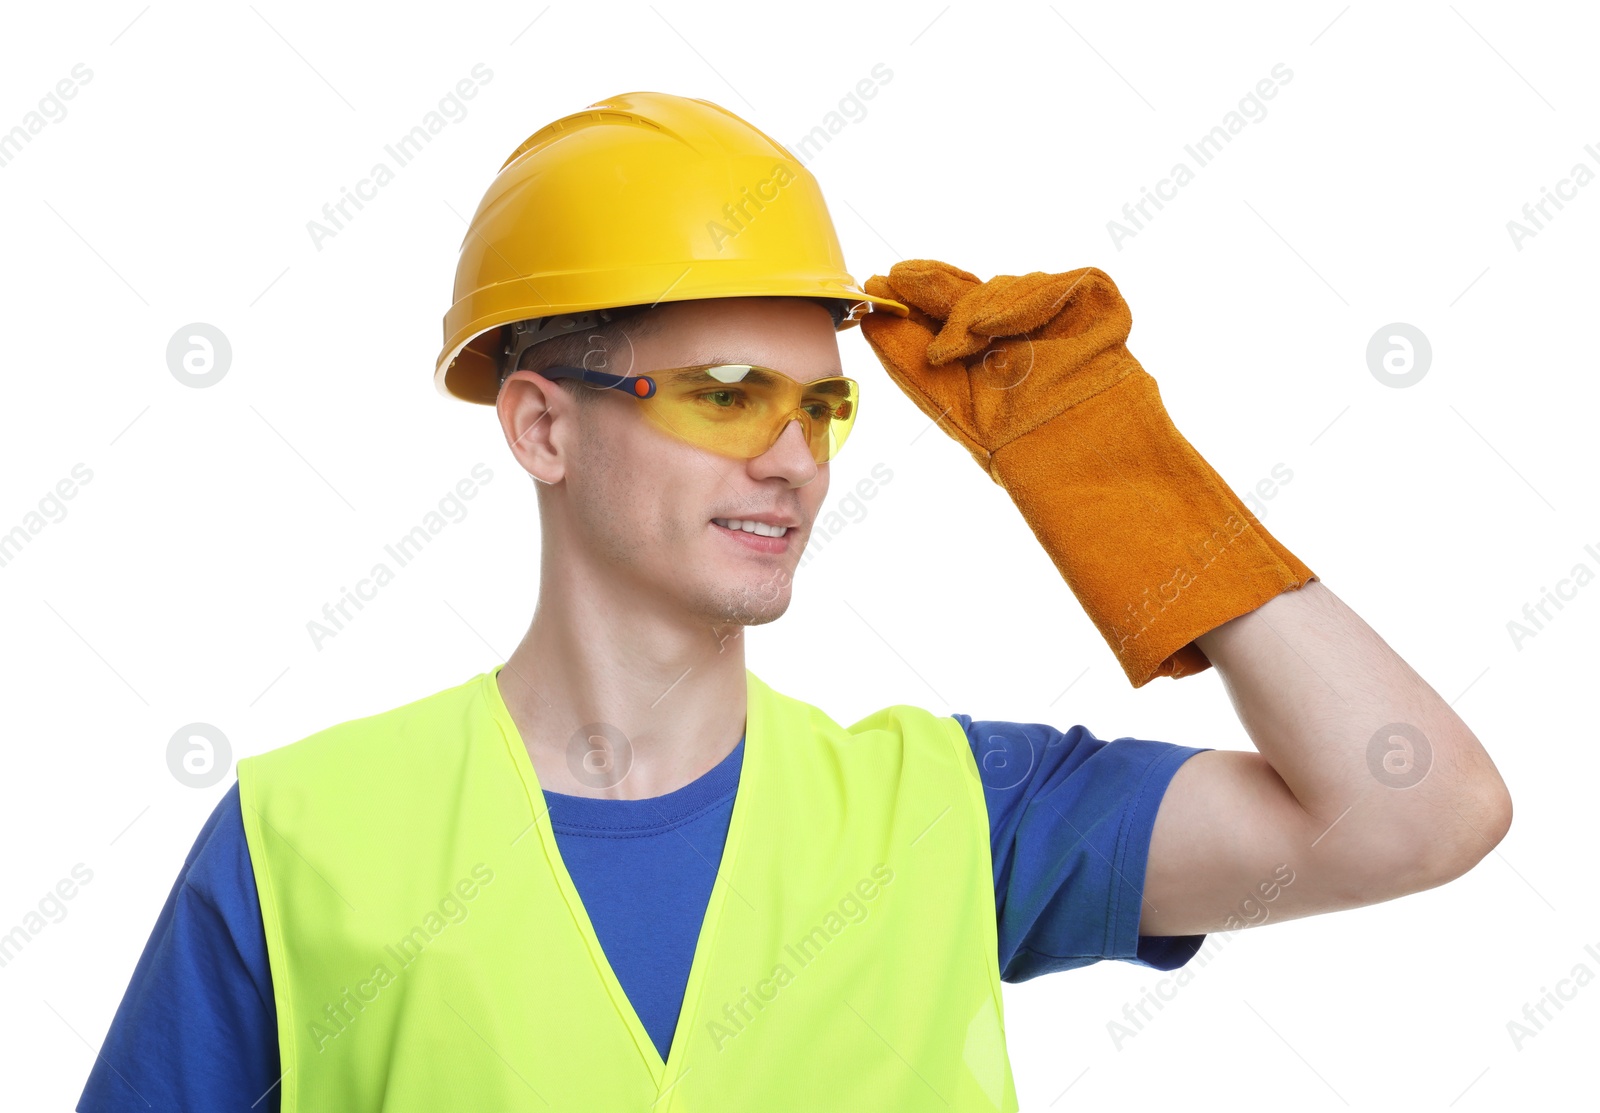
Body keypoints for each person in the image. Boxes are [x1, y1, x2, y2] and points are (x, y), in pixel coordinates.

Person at [78, 91, 1512, 1113]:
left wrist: (1111, 467)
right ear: (540, 426)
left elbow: (1419, 808)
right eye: (724, 396)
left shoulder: (961, 812)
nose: (792, 456)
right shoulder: (301, 840)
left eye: (822, 406)